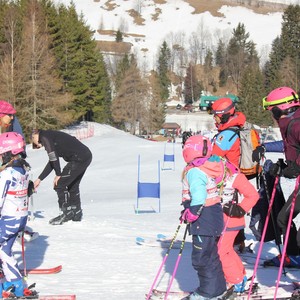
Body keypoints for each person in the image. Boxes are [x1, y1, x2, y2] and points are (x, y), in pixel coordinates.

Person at [252, 86, 300, 267]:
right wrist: (264, 147)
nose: (272, 115)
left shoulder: (296, 124)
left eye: (272, 110)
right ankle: (294, 256)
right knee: (283, 218)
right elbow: (289, 145)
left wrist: (292, 169)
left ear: (281, 109)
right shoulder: (291, 123)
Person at [181, 135, 226, 300]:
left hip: (203, 218)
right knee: (211, 255)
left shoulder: (194, 171)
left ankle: (208, 292)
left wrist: (192, 212)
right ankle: (217, 289)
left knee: (201, 258)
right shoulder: (208, 166)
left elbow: (199, 196)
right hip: (213, 216)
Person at [213, 155, 259, 294]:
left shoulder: (234, 176)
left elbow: (253, 195)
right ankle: (241, 277)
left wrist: (240, 208)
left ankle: (236, 281)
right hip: (219, 221)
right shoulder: (208, 174)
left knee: (220, 251)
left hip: (232, 219)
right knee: (226, 250)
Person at [209, 98, 248, 252]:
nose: (214, 118)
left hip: (226, 177)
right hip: (234, 177)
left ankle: (229, 243)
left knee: (225, 209)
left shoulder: (225, 135)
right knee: (232, 206)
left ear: (224, 115)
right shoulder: (234, 129)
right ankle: (238, 242)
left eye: (216, 115)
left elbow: (213, 157)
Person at [32, 129, 92, 225]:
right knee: (73, 185)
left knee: (59, 184)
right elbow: (52, 161)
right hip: (85, 156)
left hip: (78, 158)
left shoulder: (44, 136)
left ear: (35, 135)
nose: (40, 145)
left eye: (37, 143)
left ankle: (66, 212)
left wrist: (58, 174)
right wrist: (40, 179)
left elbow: (53, 157)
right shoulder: (51, 136)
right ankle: (76, 212)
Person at [0, 132, 35, 298]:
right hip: (19, 218)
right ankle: (14, 283)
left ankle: (16, 284)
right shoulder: (24, 169)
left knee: (2, 250)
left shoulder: (6, 175)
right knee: (4, 250)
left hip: (9, 219)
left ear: (9, 153)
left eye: (1, 154)